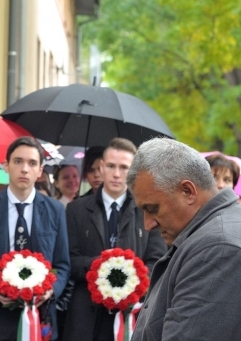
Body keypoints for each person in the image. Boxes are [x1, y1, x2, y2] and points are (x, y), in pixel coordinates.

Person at [128, 138, 241, 341]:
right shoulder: (216, 235)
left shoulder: (222, 249)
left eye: (153, 209)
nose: (147, 224)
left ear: (188, 191)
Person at [0, 136, 71, 341]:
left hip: (39, 315)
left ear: (40, 170)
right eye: (18, 161)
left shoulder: (55, 210)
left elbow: (63, 265)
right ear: (6, 166)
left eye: (32, 163)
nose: (24, 169)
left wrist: (50, 291)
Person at [63, 138, 166, 341]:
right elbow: (69, 260)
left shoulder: (148, 209)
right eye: (111, 166)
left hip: (132, 314)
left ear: (134, 170)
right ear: (101, 167)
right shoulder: (76, 210)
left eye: (124, 167)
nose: (117, 174)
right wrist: (103, 266)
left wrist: (131, 281)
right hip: (86, 316)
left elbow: (158, 261)